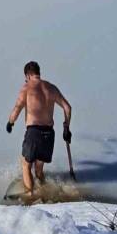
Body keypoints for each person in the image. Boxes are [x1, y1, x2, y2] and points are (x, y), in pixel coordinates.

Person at [6, 61, 72, 196]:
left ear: (28, 75)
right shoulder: (51, 88)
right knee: (39, 169)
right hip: (49, 135)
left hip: (34, 133)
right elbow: (67, 108)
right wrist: (66, 128)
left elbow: (17, 108)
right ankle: (43, 189)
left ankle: (30, 196)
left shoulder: (27, 88)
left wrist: (10, 122)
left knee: (25, 165)